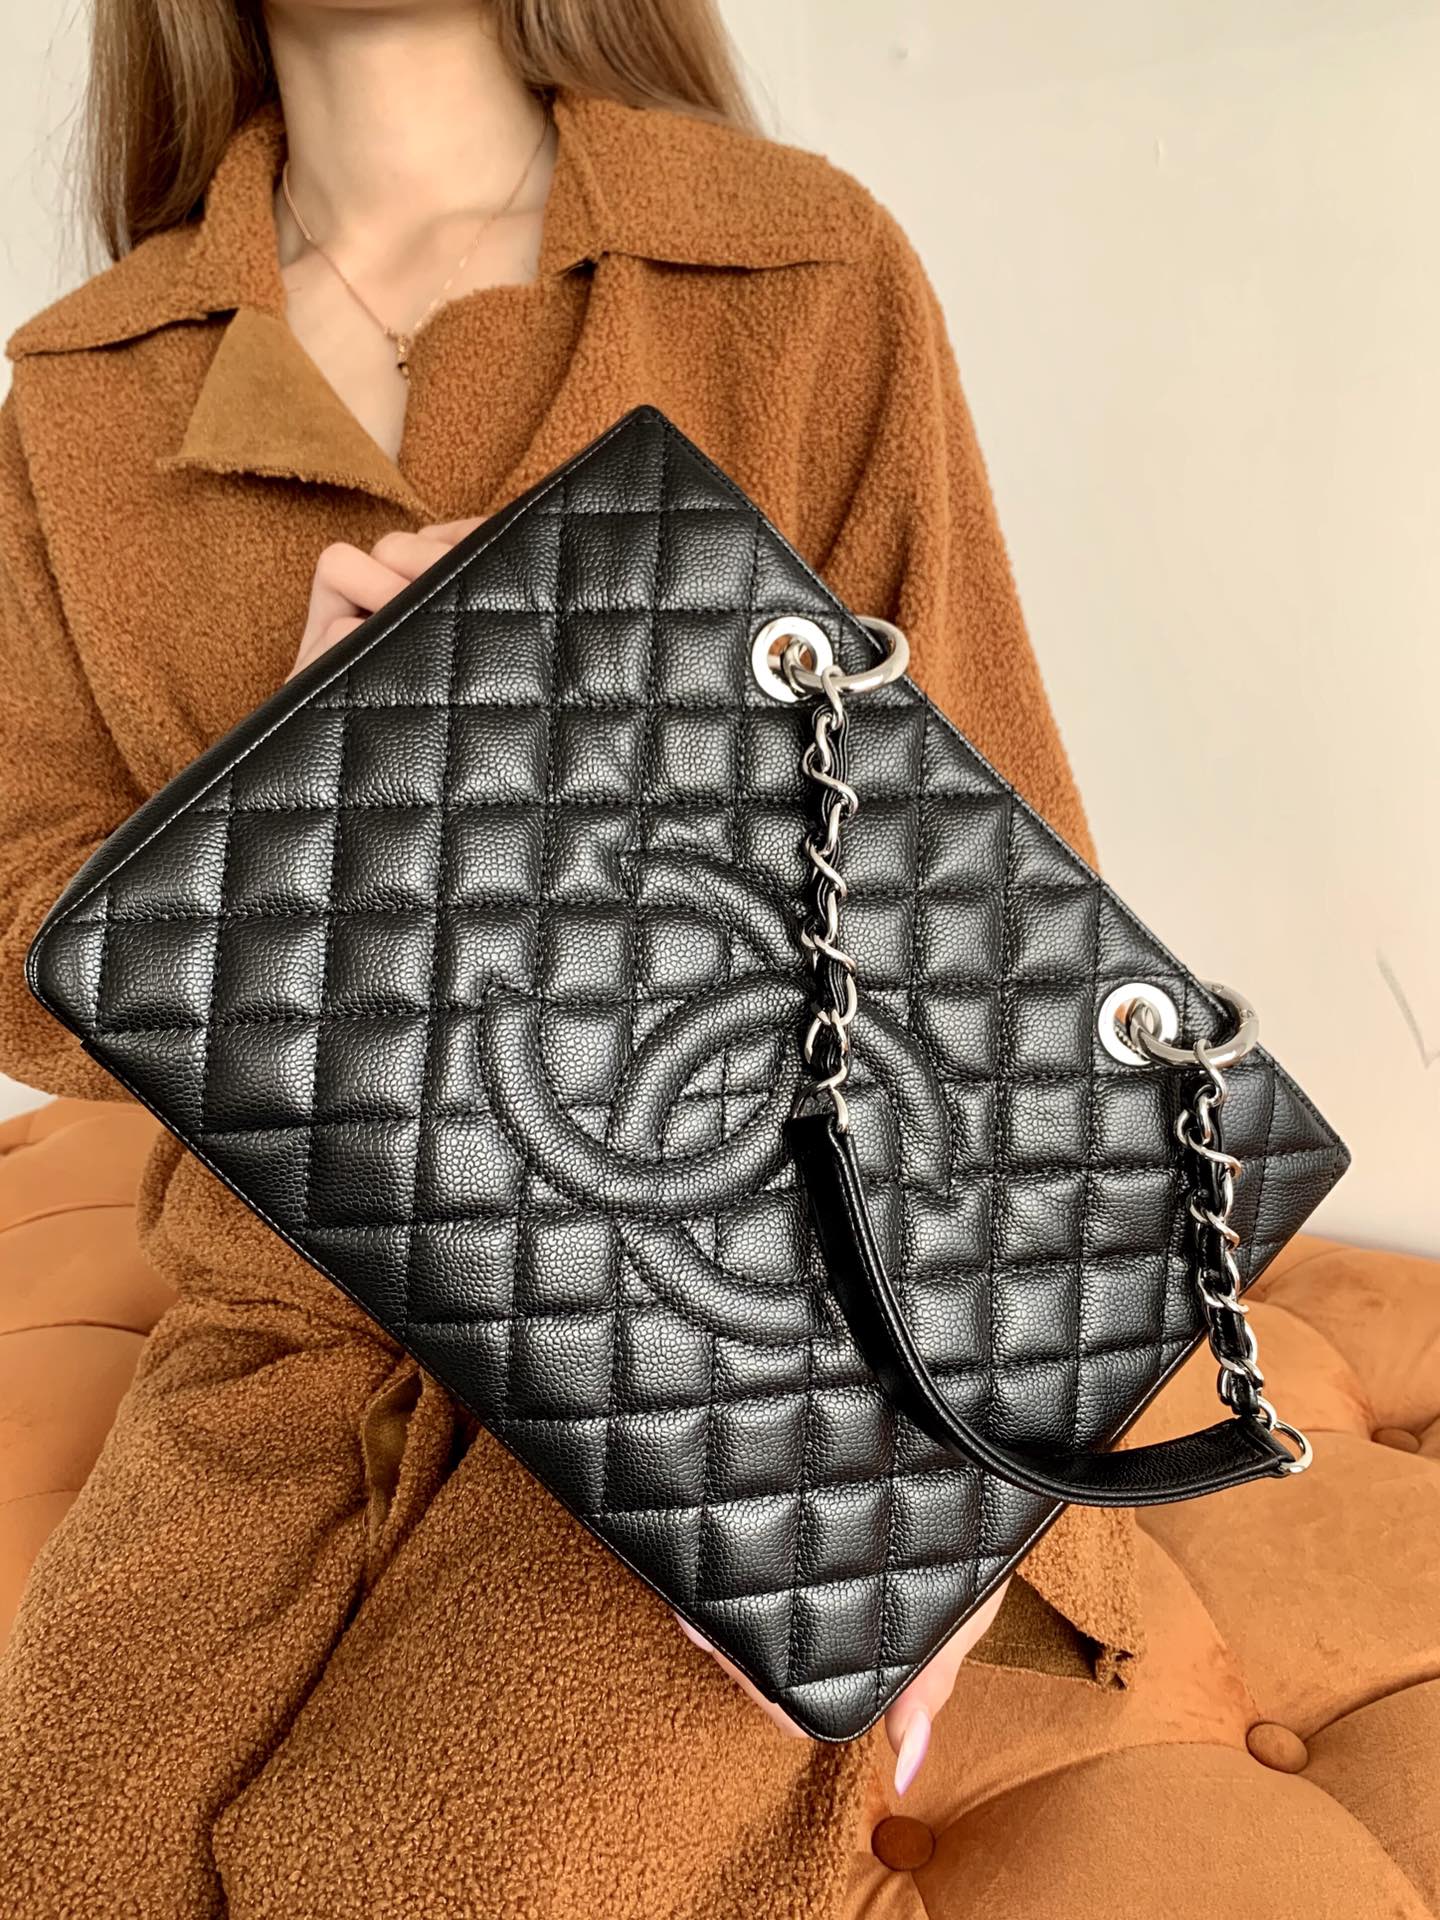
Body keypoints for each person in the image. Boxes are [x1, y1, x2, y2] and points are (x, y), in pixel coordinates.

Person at [0, 2, 1135, 1912]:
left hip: (759, 1335)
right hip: (277, 1349)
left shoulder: (794, 266)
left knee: (412, 1883)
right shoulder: (83, 387)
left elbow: (1009, 921)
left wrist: (941, 1476)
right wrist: (283, 816)